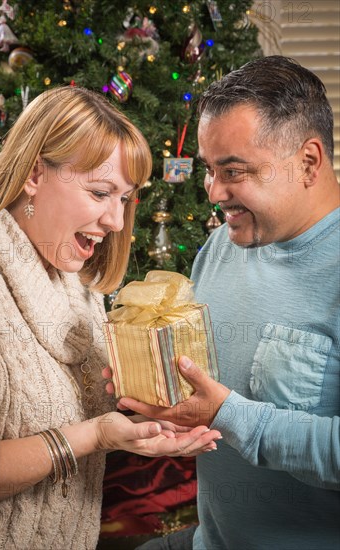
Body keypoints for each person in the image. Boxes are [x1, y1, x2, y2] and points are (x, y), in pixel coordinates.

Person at [0, 86, 220, 549]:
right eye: (100, 192)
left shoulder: (77, 279)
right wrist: (95, 436)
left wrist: (155, 415)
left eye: (125, 199)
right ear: (33, 174)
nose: (115, 221)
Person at [114, 56, 340, 549]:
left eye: (233, 171)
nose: (214, 192)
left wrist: (228, 416)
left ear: (309, 162)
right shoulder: (220, 247)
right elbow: (202, 393)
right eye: (209, 171)